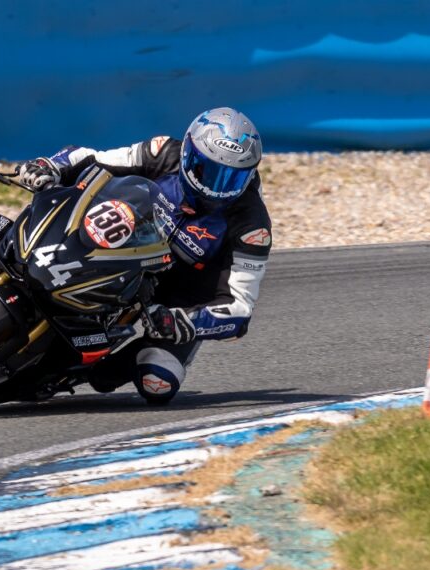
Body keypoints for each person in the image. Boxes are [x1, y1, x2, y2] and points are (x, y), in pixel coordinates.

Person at [15, 107, 272, 404]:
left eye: (232, 179)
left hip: (180, 296)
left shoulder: (253, 226)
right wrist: (50, 165)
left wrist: (185, 321)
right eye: (209, 172)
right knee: (33, 225)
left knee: (157, 381)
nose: (217, 187)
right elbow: (94, 158)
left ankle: (82, 371)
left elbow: (240, 308)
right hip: (123, 250)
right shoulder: (162, 152)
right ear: (189, 154)